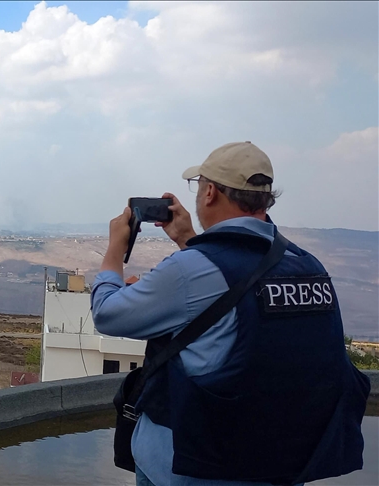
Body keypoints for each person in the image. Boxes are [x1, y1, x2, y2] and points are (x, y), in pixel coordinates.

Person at [91, 142, 369, 486]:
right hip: (280, 463)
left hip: (194, 466)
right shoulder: (308, 266)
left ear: (209, 192)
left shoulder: (189, 271)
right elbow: (239, 301)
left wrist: (115, 247)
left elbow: (106, 314)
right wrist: (187, 238)